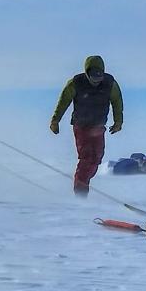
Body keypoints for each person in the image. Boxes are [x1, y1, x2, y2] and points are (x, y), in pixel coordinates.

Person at [50, 55, 123, 197]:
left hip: (98, 126)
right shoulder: (76, 83)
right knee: (86, 157)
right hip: (81, 126)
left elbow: (117, 102)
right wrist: (55, 120)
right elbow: (63, 101)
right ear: (87, 73)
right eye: (93, 76)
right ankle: (80, 192)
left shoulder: (110, 83)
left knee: (97, 158)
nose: (96, 80)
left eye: (99, 76)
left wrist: (118, 122)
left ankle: (84, 182)